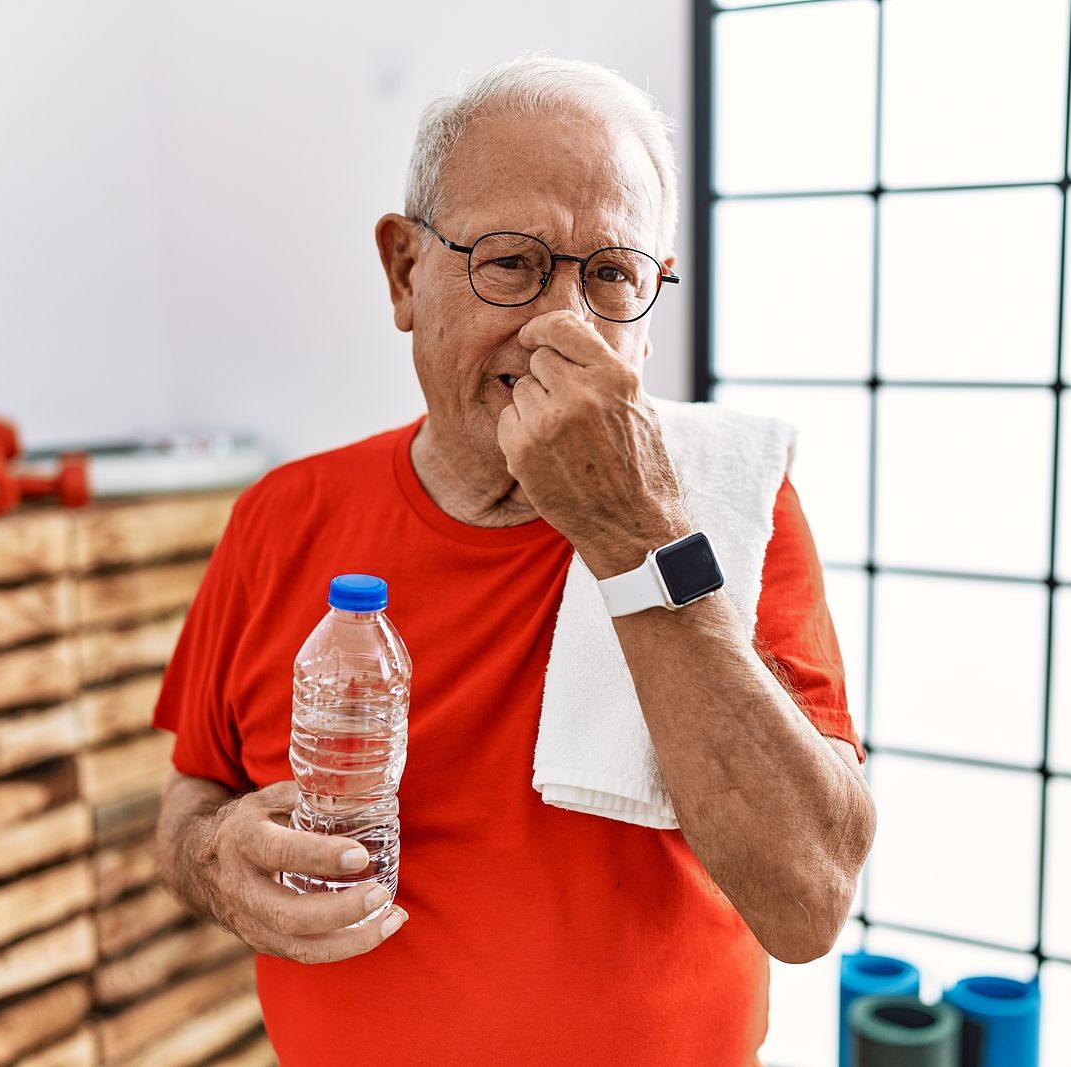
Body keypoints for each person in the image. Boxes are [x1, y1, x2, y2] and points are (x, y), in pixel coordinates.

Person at [152, 54, 875, 1067]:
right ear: (404, 271)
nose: (560, 325)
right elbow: (192, 792)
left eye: (613, 274)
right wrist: (210, 855)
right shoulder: (285, 514)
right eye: (511, 261)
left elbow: (808, 905)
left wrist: (637, 534)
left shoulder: (728, 503)